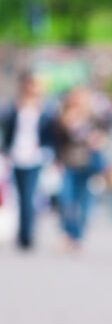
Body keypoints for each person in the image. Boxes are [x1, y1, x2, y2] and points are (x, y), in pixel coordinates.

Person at [1, 71, 54, 251]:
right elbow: (8, 131)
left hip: (35, 157)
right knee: (20, 196)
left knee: (30, 196)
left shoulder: (44, 108)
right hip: (17, 156)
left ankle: (27, 234)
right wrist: (6, 151)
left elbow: (48, 134)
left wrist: (47, 151)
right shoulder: (15, 107)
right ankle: (22, 232)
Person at [54, 87, 106, 249]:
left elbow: (102, 137)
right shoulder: (62, 118)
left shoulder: (92, 118)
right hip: (69, 164)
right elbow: (58, 141)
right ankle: (68, 232)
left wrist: (95, 139)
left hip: (87, 164)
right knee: (66, 199)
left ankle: (78, 235)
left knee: (84, 202)